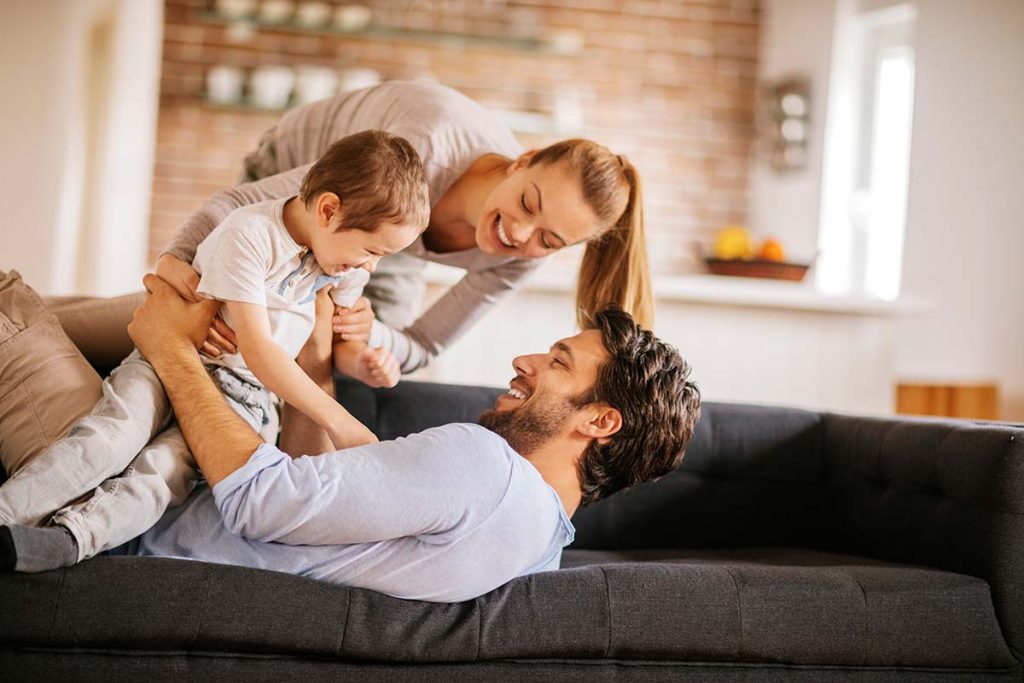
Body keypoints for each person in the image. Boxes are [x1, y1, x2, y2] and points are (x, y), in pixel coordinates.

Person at [0, 274, 700, 602]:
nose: (525, 362)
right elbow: (316, 504)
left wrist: (172, 349)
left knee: (12, 299)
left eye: (557, 363)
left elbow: (261, 503)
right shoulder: (536, 543)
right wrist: (315, 360)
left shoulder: (486, 466)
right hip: (149, 509)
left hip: (122, 513)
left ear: (600, 419)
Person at [0, 130, 430, 571]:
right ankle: (7, 513)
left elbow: (336, 351)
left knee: (165, 475)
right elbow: (259, 349)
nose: (371, 267)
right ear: (328, 209)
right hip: (170, 364)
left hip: (243, 399)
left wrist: (367, 362)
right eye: (373, 251)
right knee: (113, 435)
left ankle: (71, 540)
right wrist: (339, 422)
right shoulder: (251, 235)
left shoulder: (341, 266)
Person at [155, 81, 654, 376]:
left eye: (549, 240)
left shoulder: (514, 260)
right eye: (527, 203)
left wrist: (378, 337)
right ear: (521, 160)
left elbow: (422, 345)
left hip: (388, 242)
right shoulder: (422, 147)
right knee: (227, 336)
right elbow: (238, 202)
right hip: (301, 181)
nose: (521, 235)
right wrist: (174, 258)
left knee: (350, 358)